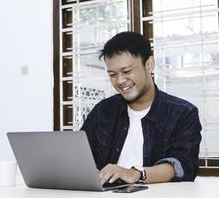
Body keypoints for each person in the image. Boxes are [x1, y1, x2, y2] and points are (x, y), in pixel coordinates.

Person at [80, 31, 202, 184]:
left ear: (149, 64)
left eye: (127, 71)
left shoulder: (183, 113)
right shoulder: (103, 110)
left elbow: (184, 166)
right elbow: (78, 157)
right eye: (112, 74)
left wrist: (135, 174)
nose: (120, 80)